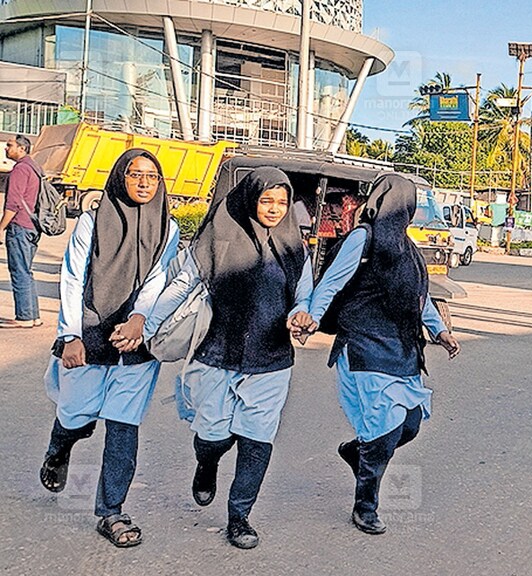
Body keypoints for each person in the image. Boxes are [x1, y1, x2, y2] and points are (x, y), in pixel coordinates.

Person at [128, 168, 311, 549]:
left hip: (272, 360)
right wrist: (145, 328)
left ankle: (239, 516)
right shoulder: (218, 239)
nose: (275, 209)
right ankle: (207, 463)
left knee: (257, 440)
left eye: (282, 202)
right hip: (215, 356)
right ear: (250, 200)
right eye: (267, 201)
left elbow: (303, 296)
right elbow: (181, 287)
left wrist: (302, 315)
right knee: (213, 435)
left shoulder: (295, 248)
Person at [289, 173, 459, 536]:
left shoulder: (407, 248)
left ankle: (358, 452)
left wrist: (440, 331)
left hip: (401, 347)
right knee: (383, 430)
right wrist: (311, 318)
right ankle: (365, 505)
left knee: (409, 424)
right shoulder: (362, 239)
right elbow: (331, 283)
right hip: (364, 345)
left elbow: (421, 297)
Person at [38, 149, 179, 548]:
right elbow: (72, 275)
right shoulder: (91, 220)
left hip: (135, 342)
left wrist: (140, 320)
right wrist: (70, 334)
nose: (144, 183)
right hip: (91, 331)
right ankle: (58, 448)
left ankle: (111, 511)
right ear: (121, 176)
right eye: (136, 174)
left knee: (123, 425)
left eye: (152, 177)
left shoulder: (167, 228)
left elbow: (156, 279)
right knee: (75, 413)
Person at [1, 135, 44, 327]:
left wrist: (1, 227)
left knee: (19, 271)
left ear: (22, 149)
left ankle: (24, 317)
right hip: (33, 226)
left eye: (10, 145)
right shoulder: (35, 168)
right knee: (26, 270)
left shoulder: (20, 170)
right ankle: (33, 315)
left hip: (20, 226)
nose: (6, 149)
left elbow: (13, 203)